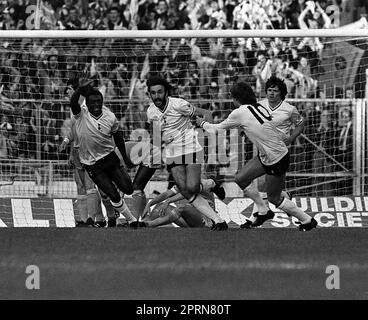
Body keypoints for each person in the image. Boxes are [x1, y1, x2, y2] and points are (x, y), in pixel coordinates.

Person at [197, 81, 317, 231]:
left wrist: (201, 124)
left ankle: (307, 220)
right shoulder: (259, 106)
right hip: (267, 154)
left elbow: (216, 129)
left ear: (235, 98)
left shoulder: (240, 112)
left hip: (277, 158)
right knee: (241, 178)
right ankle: (263, 210)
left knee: (274, 198)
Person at [146, 75, 228, 230]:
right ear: (149, 94)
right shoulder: (151, 112)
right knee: (187, 190)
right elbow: (157, 136)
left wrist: (209, 140)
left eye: (159, 92)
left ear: (166, 92)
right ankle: (218, 221)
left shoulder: (179, 104)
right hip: (172, 154)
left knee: (192, 187)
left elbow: (205, 113)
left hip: (190, 148)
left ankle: (210, 183)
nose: (157, 96)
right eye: (153, 93)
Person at [69, 75, 145, 228]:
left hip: (110, 159)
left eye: (99, 101)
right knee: (112, 194)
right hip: (92, 164)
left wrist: (125, 158)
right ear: (87, 103)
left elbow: (118, 138)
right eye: (92, 102)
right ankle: (131, 221)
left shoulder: (110, 117)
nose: (96, 104)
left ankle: (115, 209)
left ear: (102, 102)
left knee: (128, 189)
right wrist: (79, 89)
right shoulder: (81, 114)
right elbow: (72, 102)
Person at [241, 76, 305, 228]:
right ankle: (283, 198)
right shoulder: (259, 105)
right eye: (269, 90)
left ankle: (254, 218)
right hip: (262, 150)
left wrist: (290, 139)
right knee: (263, 187)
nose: (271, 93)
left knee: (263, 186)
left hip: (278, 153)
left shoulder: (289, 109)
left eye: (275, 91)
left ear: (281, 93)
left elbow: (301, 125)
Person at [142, 177, 225, 228]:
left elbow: (186, 193)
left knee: (181, 208)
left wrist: (168, 201)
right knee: (159, 207)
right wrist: (149, 204)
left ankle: (151, 224)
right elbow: (166, 194)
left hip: (205, 220)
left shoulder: (202, 182)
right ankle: (142, 223)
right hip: (190, 219)